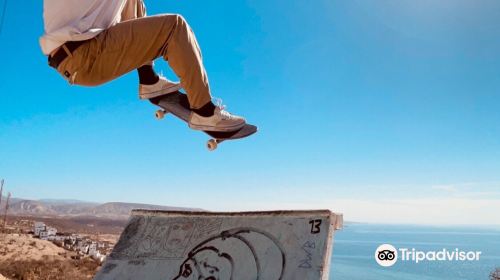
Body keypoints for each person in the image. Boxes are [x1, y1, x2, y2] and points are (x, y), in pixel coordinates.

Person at [40, 0, 246, 132]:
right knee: (175, 27)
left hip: (77, 53)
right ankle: (205, 112)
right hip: (85, 54)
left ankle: (149, 80)